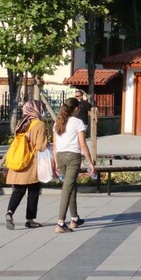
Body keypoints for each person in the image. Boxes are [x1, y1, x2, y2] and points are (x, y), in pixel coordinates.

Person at [52, 97, 96, 233]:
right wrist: (90, 162)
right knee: (67, 188)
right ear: (76, 108)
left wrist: (56, 163)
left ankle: (74, 218)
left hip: (60, 156)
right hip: (72, 157)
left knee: (71, 186)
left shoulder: (58, 122)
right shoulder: (78, 122)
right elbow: (82, 144)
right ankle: (60, 223)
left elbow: (54, 145)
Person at [5, 100, 49, 229]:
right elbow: (40, 146)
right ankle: (30, 219)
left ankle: (9, 212)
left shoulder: (22, 123)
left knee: (18, 190)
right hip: (31, 163)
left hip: (18, 161)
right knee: (34, 191)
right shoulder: (39, 124)